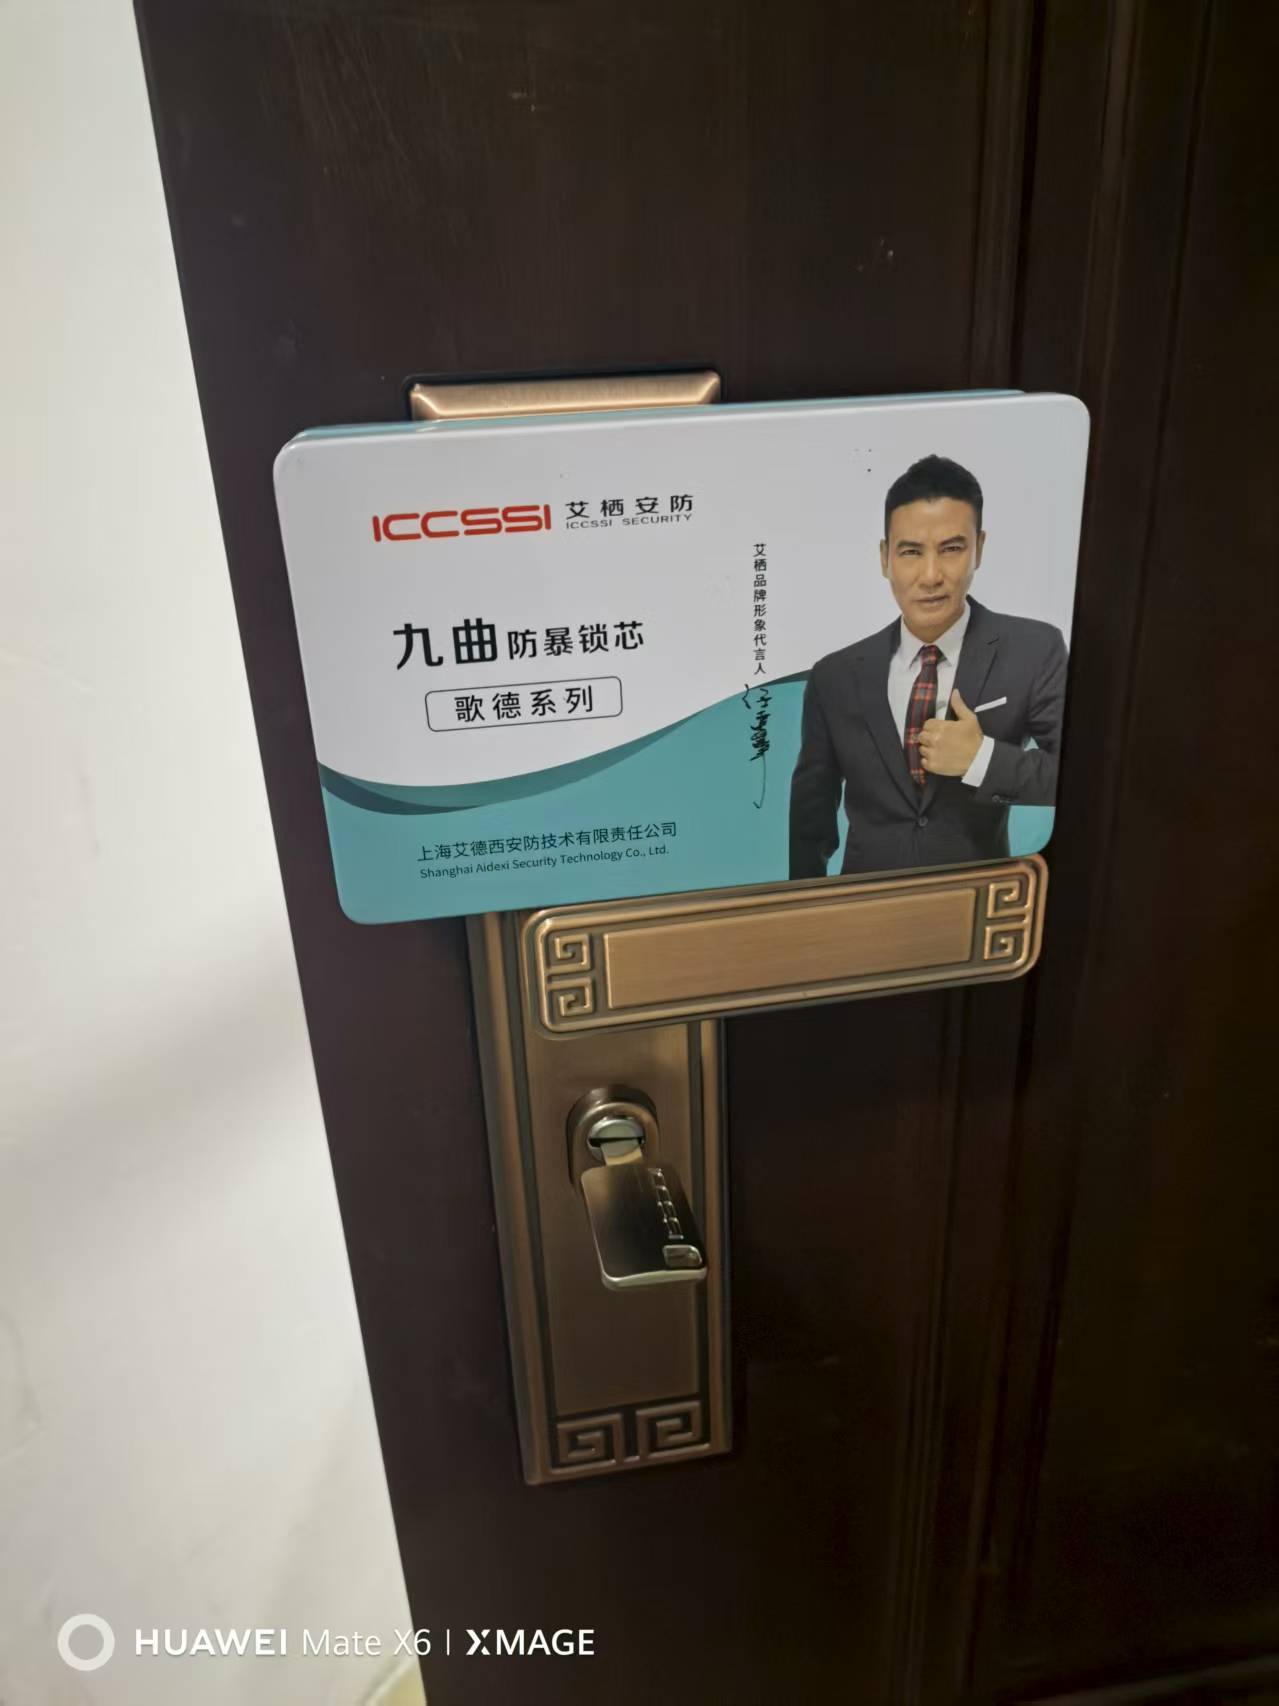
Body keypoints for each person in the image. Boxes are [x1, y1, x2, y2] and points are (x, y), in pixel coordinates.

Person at [788, 454, 1067, 878]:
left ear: (979, 549)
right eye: (911, 552)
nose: (931, 575)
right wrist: (806, 909)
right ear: (885, 558)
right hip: (863, 903)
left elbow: (1076, 774)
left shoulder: (1033, 649)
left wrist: (980, 758)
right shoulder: (834, 675)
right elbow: (810, 821)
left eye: (952, 549)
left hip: (974, 900)